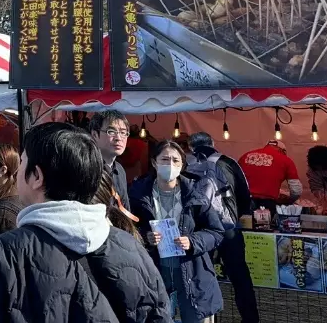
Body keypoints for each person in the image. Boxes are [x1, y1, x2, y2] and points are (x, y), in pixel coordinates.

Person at [0, 122, 170, 323]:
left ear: (37, 176)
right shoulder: (130, 245)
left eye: (23, 161)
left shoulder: (5, 253)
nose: (18, 171)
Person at [130, 140, 224, 323]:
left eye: (176, 160)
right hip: (155, 274)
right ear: (154, 162)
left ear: (182, 165)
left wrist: (193, 241)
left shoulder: (196, 194)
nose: (170, 165)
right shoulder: (138, 194)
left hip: (194, 276)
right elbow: (127, 228)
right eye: (165, 159)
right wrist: (144, 236)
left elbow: (216, 231)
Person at [188, 132, 257, 323]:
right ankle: (250, 319)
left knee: (203, 276)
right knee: (240, 276)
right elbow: (245, 196)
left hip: (199, 230)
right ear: (212, 143)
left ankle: (206, 319)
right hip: (228, 229)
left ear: (190, 146)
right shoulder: (228, 162)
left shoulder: (185, 162)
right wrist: (234, 216)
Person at [238, 140, 302, 211]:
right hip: (267, 202)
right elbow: (296, 190)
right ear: (283, 151)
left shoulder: (245, 156)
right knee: (266, 221)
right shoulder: (286, 160)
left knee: (244, 221)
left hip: (243, 200)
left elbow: (233, 179)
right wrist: (290, 201)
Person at [89, 111, 132, 211]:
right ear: (95, 134)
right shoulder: (87, 168)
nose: (118, 138)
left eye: (123, 132)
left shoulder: (120, 170)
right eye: (111, 132)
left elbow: (125, 209)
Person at [93, 166, 142, 241]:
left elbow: (125, 207)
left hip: (122, 236)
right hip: (103, 236)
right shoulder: (94, 169)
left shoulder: (120, 169)